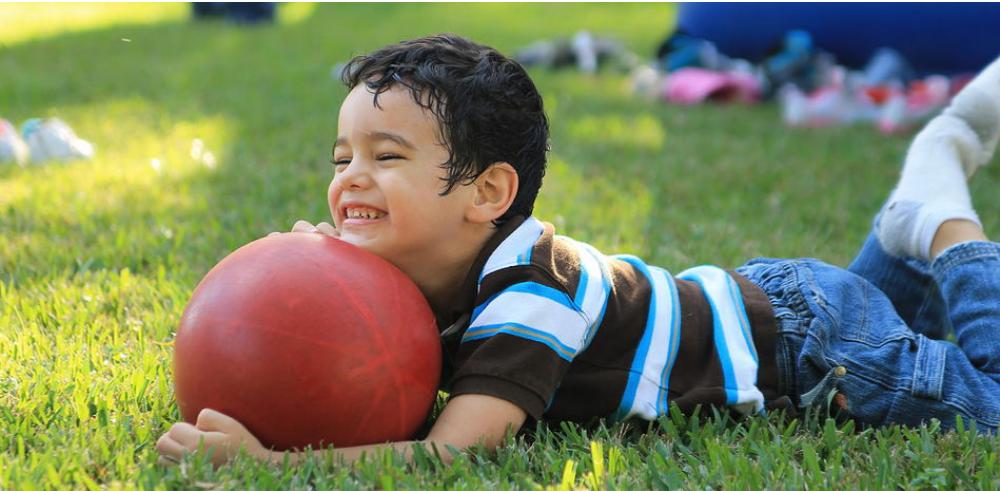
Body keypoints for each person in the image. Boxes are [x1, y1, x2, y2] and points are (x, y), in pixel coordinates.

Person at [156, 34, 1000, 467]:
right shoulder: (429, 260)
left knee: (989, 405)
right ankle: (900, 234)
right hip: (777, 301)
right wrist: (322, 277)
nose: (350, 180)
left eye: (386, 157)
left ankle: (945, 229)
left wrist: (274, 462)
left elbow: (457, 449)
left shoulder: (532, 289)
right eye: (342, 159)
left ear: (488, 193)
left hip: (812, 350)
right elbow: (334, 339)